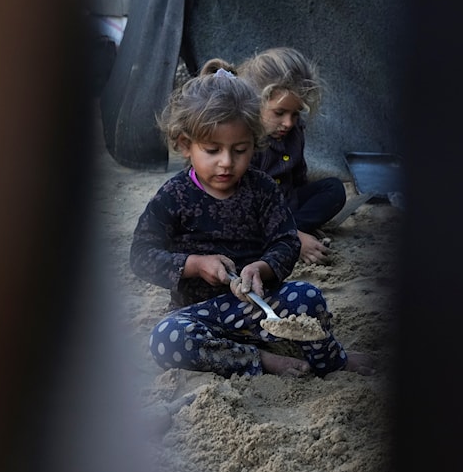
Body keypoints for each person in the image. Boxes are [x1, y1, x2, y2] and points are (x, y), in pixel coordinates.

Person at [129, 65, 373, 377]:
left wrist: (261, 267)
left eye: (240, 150)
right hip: (199, 315)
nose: (227, 162)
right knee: (166, 338)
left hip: (261, 309)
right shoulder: (173, 195)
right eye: (212, 150)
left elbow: (286, 241)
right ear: (184, 144)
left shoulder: (261, 189)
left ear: (255, 144)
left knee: (307, 296)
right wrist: (195, 264)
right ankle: (260, 360)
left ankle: (332, 359)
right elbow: (141, 256)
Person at [227, 47, 346, 265]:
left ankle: (292, 229)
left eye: (295, 113)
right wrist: (295, 236)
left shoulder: (294, 131)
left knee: (334, 189)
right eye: (279, 113)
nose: (288, 123)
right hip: (255, 214)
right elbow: (240, 202)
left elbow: (299, 176)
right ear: (255, 103)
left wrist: (294, 220)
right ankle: (288, 237)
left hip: (288, 204)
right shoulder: (244, 142)